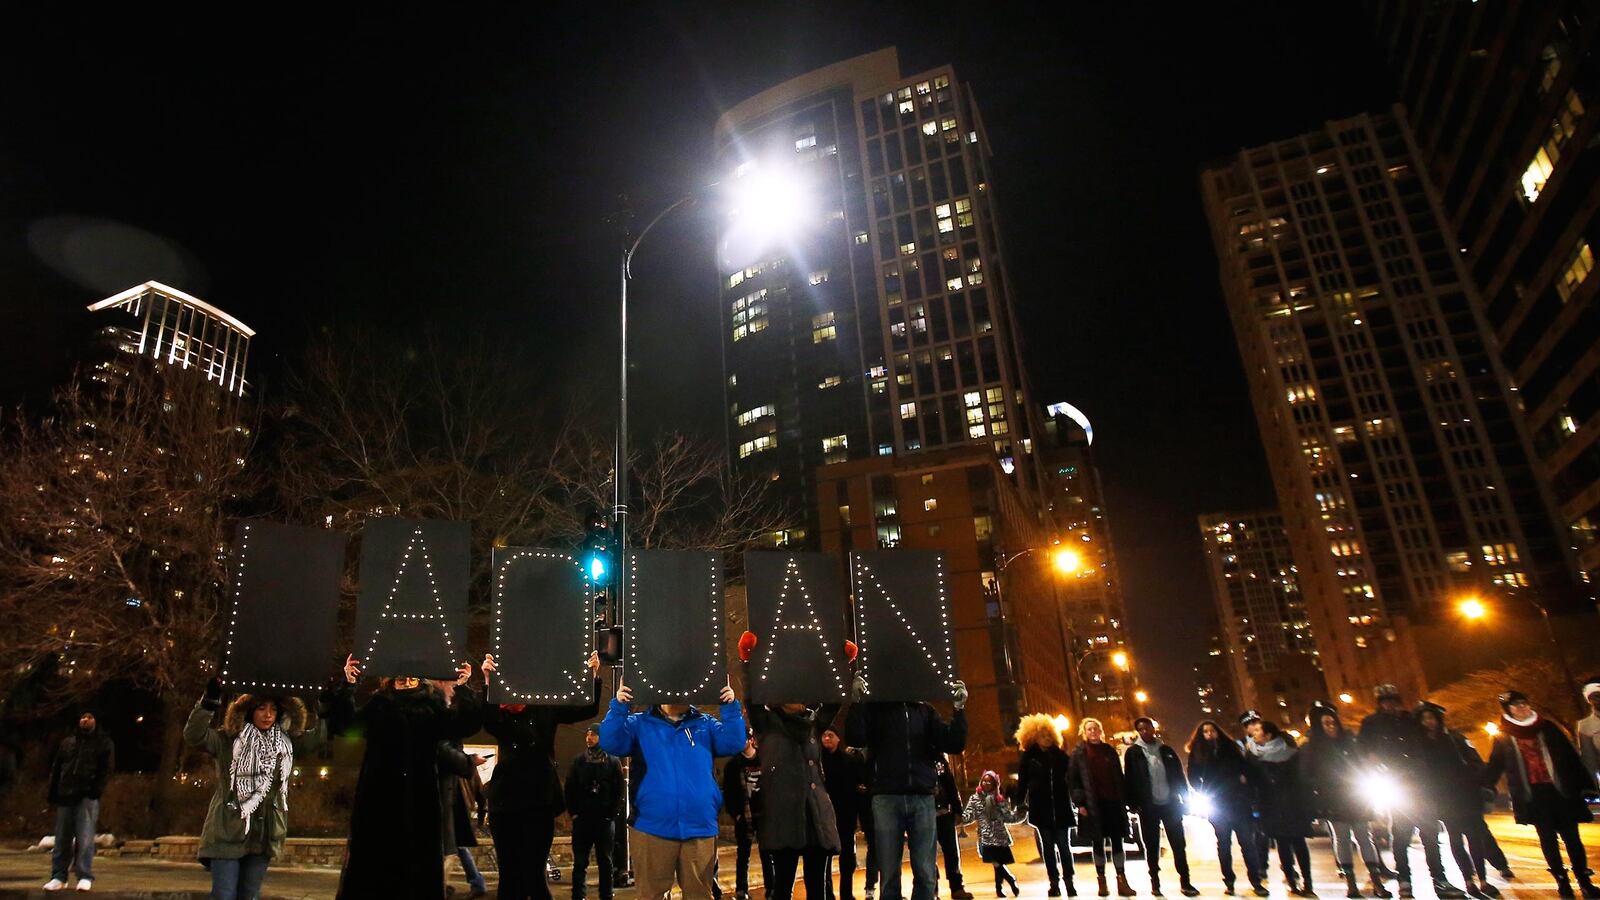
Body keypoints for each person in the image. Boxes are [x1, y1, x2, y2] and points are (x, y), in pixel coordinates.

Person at [327, 655, 484, 899]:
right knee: (375, 873)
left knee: (416, 872)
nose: (404, 680)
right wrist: (348, 684)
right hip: (378, 804)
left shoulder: (431, 706)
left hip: (419, 804)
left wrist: (463, 686)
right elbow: (346, 725)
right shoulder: (380, 704)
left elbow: (464, 724)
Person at [183, 676, 331, 900]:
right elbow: (194, 736)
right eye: (261, 708)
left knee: (249, 896)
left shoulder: (285, 744)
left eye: (273, 709)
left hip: (263, 835)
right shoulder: (229, 740)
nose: (268, 714)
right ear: (250, 711)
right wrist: (208, 702)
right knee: (224, 895)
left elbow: (319, 738)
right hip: (227, 831)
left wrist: (323, 704)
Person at [599, 676, 745, 900]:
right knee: (651, 895)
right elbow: (610, 742)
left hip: (700, 827)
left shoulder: (705, 724)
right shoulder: (639, 723)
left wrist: (729, 706)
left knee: (700, 895)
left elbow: (734, 742)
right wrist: (619, 706)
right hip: (652, 826)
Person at [480, 652, 602, 900]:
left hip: (539, 801)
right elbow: (487, 720)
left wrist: (593, 675)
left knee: (534, 874)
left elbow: (585, 708)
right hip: (506, 803)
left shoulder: (544, 708)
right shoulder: (499, 713)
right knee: (509, 877)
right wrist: (487, 683)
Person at [845, 676, 969, 900]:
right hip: (887, 796)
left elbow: (953, 743)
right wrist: (856, 703)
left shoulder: (924, 711)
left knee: (925, 870)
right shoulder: (876, 709)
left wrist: (959, 710)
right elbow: (855, 737)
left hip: (920, 796)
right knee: (890, 870)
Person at [1483, 690, 1598, 898]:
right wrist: (1485, 786)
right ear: (1509, 710)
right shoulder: (1504, 736)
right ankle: (1562, 881)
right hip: (1533, 796)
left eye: (1524, 703)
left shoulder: (1547, 727)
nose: (1522, 708)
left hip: (1560, 791)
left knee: (1572, 838)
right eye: (1516, 706)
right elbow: (1495, 764)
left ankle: (1584, 880)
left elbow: (1570, 756)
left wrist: (1585, 784)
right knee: (1547, 840)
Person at [743, 692, 840, 900]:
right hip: (784, 817)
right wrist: (747, 662)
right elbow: (752, 696)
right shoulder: (767, 723)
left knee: (817, 888)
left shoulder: (813, 723)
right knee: (783, 886)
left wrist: (846, 668)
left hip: (815, 817)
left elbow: (833, 700)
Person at [1301, 702, 1391, 899]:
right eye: (1325, 723)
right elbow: (1306, 775)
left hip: (1356, 796)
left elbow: (1362, 764)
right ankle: (1351, 884)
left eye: (1333, 722)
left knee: (1364, 838)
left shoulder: (1349, 741)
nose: (1331, 727)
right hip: (1332, 800)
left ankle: (1377, 881)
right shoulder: (1313, 748)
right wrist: (1319, 790)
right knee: (1342, 840)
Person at [1412, 702, 1491, 898]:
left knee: (1474, 838)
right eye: (1424, 719)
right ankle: (1468, 880)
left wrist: (1473, 779)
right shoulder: (1420, 746)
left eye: (1431, 718)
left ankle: (1483, 879)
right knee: (1455, 840)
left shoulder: (1455, 738)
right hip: (1444, 799)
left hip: (1466, 795)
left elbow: (1475, 761)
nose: (1429, 722)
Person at [1359, 685, 1427, 896]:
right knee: (1399, 832)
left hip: (1415, 779)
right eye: (1384, 701)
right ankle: (1404, 878)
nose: (1389, 705)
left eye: (1392, 700)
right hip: (1389, 778)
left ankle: (1438, 877)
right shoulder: (1371, 723)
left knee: (1429, 830)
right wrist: (1372, 761)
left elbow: (1422, 743)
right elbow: (1362, 749)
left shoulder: (1408, 719)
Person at [1186, 720, 1267, 897]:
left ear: (1218, 732)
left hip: (1238, 802)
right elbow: (1192, 776)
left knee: (1248, 844)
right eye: (1205, 732)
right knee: (1223, 845)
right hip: (1218, 805)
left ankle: (1256, 881)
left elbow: (1246, 769)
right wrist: (1203, 790)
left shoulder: (1230, 749)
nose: (1209, 734)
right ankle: (1229, 881)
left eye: (1212, 731)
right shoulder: (1198, 753)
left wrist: (1245, 786)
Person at [1240, 716, 1315, 898]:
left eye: (1258, 731)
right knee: (1282, 844)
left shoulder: (1290, 753)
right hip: (1270, 805)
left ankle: (1308, 884)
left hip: (1292, 804)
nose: (1254, 734)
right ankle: (1291, 882)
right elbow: (1251, 780)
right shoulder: (1253, 755)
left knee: (1299, 843)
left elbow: (1302, 779)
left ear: (1268, 735)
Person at [1124, 716, 1197, 897]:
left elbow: (1178, 776)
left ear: (1153, 728)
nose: (1145, 731)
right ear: (1138, 732)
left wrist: (1184, 798)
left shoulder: (1166, 750)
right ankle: (1155, 883)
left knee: (1178, 845)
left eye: (1147, 728)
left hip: (1170, 805)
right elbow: (1129, 780)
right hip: (1148, 807)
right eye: (1141, 729)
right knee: (1152, 846)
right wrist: (1133, 804)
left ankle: (1185, 882)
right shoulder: (1133, 753)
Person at [43, 707, 114, 893]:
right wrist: (53, 794)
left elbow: (106, 769)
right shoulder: (68, 743)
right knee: (62, 838)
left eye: (89, 717)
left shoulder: (103, 743)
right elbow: (57, 769)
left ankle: (84, 875)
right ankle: (58, 876)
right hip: (65, 794)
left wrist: (95, 791)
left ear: (96, 720)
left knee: (84, 837)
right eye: (83, 717)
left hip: (86, 795)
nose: (85, 720)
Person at [1013, 713, 1078, 898]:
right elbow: (1022, 782)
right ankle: (1054, 883)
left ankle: (1069, 882)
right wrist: (1019, 802)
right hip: (1041, 809)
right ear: (1033, 737)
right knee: (1048, 849)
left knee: (1065, 848)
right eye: (1043, 736)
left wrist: (1078, 799)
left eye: (1049, 735)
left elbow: (1072, 779)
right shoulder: (1028, 758)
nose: (1047, 739)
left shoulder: (1061, 756)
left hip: (1061, 807)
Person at [1068, 717, 1133, 898]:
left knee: (1117, 841)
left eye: (1096, 728)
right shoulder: (1079, 753)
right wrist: (1080, 802)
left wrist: (1124, 798)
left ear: (1101, 731)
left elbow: (1118, 776)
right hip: (1092, 805)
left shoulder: (1108, 751)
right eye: (1089, 729)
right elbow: (1073, 780)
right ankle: (1102, 881)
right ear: (1084, 732)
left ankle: (1122, 879)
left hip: (1112, 803)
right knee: (1097, 842)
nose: (1093, 731)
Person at [567, 723, 625, 900]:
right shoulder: (579, 761)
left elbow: (619, 790)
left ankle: (606, 895)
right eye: (588, 734)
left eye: (593, 734)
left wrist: (611, 814)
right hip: (583, 819)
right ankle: (578, 895)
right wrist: (574, 813)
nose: (589, 738)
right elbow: (570, 788)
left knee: (605, 861)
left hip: (604, 820)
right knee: (580, 862)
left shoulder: (613, 761)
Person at [821, 726, 877, 900]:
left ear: (838, 739)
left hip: (846, 816)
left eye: (830, 735)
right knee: (825, 858)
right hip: (825, 816)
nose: (827, 739)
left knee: (847, 859)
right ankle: (827, 893)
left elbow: (859, 787)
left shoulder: (849, 760)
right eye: (824, 736)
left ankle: (846, 893)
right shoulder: (818, 762)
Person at [723, 729, 773, 900]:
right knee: (743, 854)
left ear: (751, 740)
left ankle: (771, 888)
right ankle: (741, 890)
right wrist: (735, 814)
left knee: (767, 854)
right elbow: (728, 791)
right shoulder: (733, 764)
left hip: (765, 814)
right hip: (745, 815)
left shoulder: (765, 759)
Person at [962, 770, 1023, 897]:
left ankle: (999, 888)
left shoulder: (999, 800)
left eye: (989, 781)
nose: (986, 783)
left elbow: (1009, 817)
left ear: (995, 784)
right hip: (985, 837)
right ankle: (1010, 879)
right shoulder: (975, 799)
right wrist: (956, 817)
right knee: (996, 862)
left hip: (999, 836)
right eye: (984, 781)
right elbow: (968, 816)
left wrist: (1021, 813)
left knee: (998, 863)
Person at [935, 757, 973, 900]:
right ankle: (932, 888)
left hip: (943, 812)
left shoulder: (939, 759)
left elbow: (949, 783)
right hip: (923, 813)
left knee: (951, 851)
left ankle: (957, 886)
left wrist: (957, 808)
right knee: (926, 854)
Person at [1576, 681, 1600, 781]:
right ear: (1589, 700)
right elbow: (1589, 760)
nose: (1599, 699)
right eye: (1594, 696)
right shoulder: (1585, 725)